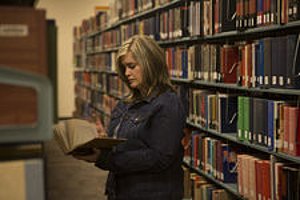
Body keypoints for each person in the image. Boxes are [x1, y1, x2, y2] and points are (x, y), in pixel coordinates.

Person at [74, 35, 186, 200]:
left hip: (151, 193)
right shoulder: (125, 103)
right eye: (124, 68)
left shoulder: (167, 104)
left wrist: (104, 158)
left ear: (150, 64)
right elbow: (127, 144)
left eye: (132, 66)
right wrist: (103, 140)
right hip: (120, 190)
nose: (127, 73)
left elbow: (159, 158)